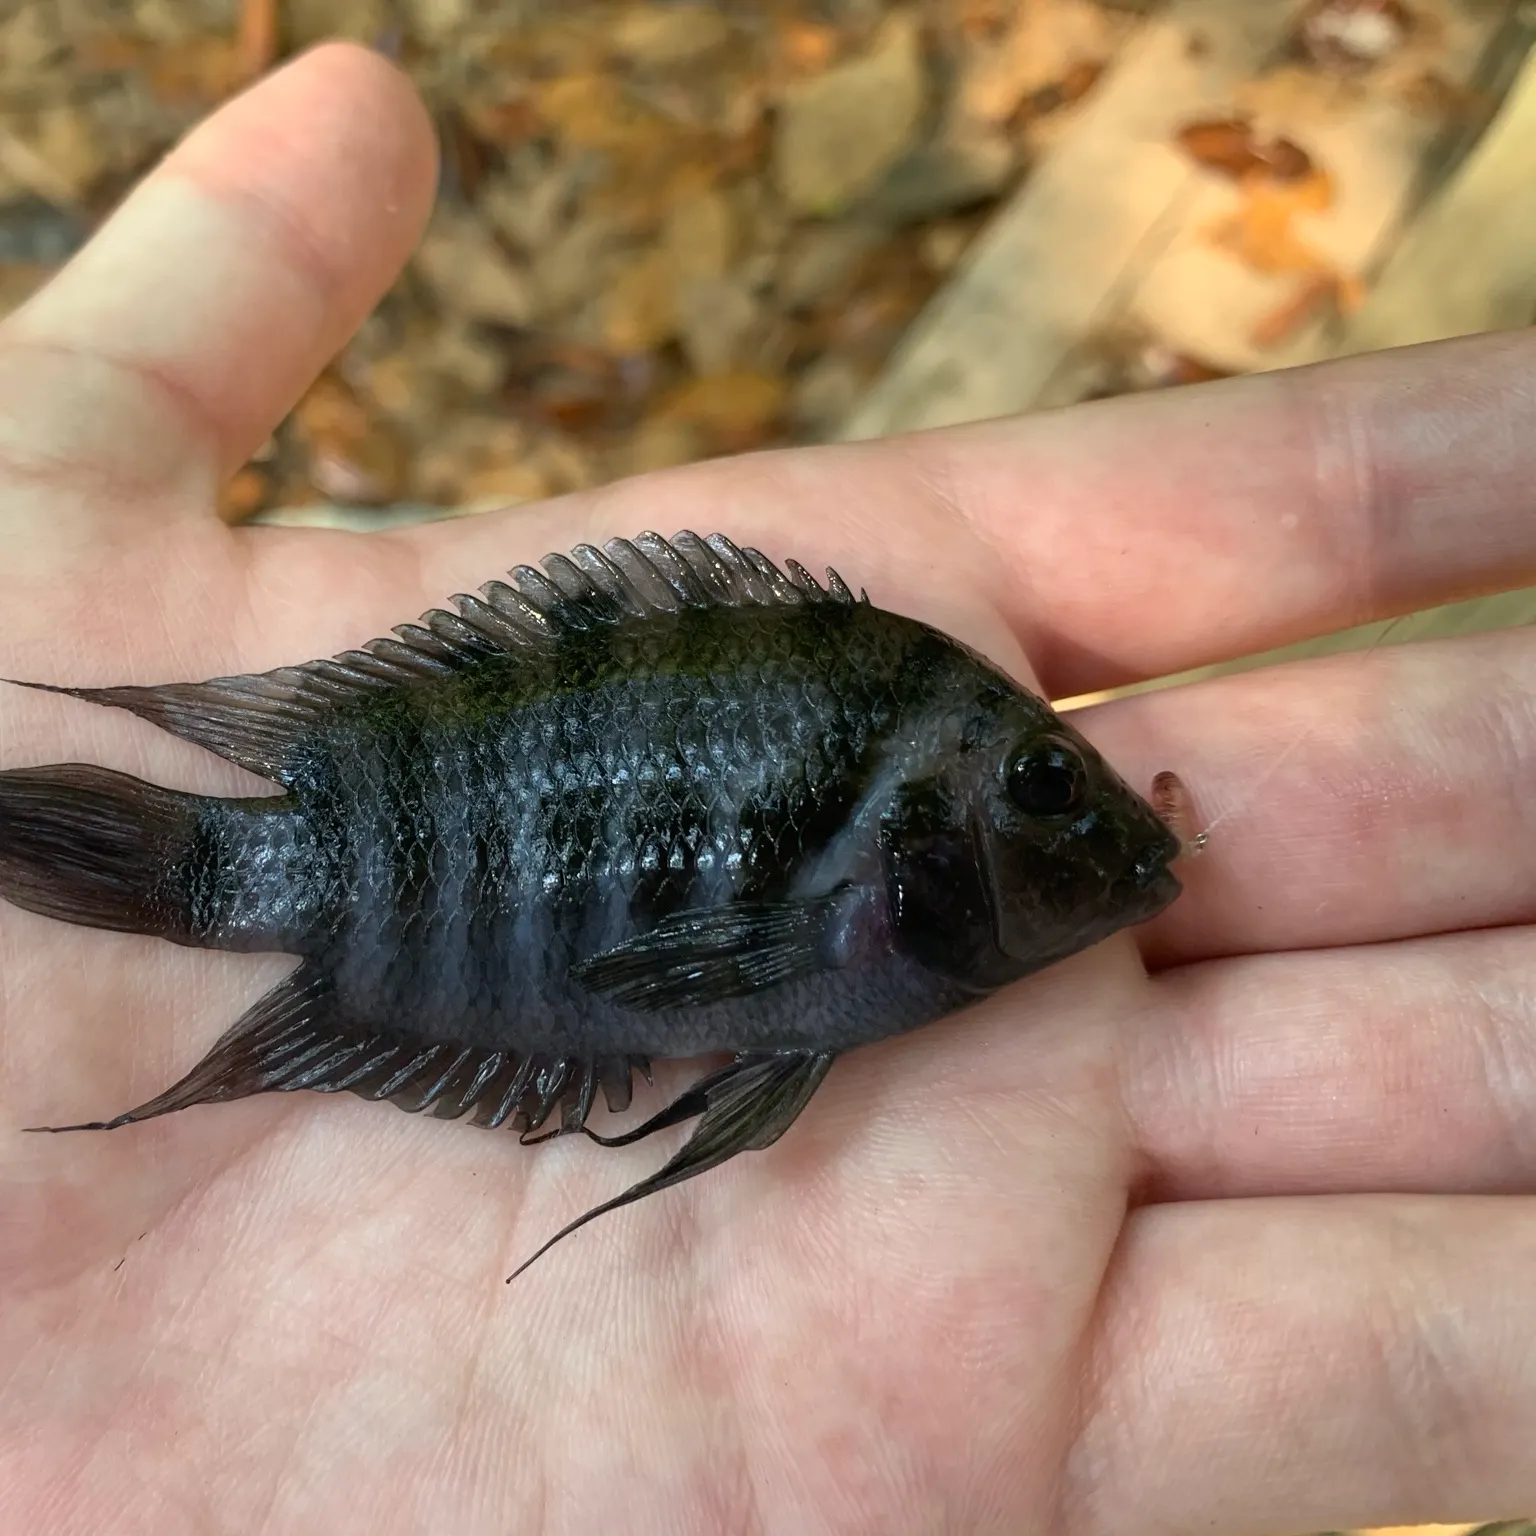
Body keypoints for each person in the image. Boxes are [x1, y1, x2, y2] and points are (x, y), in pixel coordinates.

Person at [1, 41, 1532, 1535]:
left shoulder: (902, 810)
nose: (1108, 833)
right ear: (922, 844)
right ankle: (204, 877)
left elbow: (700, 983)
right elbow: (697, 975)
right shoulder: (887, 831)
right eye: (1047, 787)